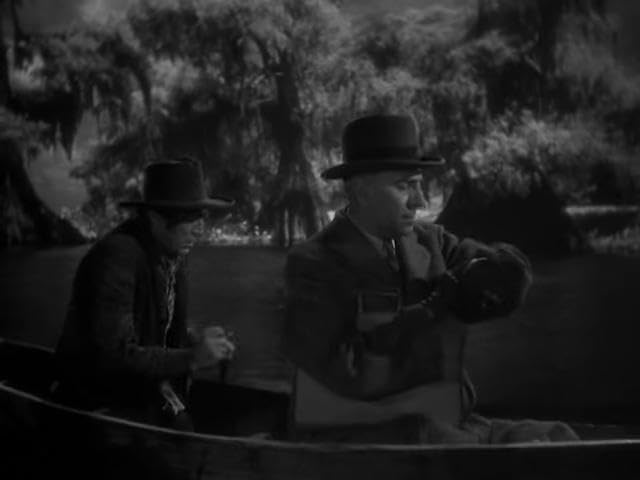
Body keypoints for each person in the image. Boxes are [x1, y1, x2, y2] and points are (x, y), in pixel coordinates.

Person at [284, 114, 578, 443]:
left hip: (448, 424)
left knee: (558, 436)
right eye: (404, 186)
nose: (420, 201)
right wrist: (432, 308)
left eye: (419, 185)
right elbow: (344, 371)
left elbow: (505, 270)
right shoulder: (313, 263)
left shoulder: (430, 242)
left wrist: (487, 277)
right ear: (362, 191)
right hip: (356, 434)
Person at [53, 157, 237, 430]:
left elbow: (157, 324)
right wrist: (193, 357)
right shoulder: (117, 257)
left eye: (201, 215)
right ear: (155, 218)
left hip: (141, 385)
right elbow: (113, 356)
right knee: (178, 434)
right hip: (94, 396)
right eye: (189, 216)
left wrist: (195, 341)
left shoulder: (171, 253)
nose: (200, 228)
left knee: (187, 423)